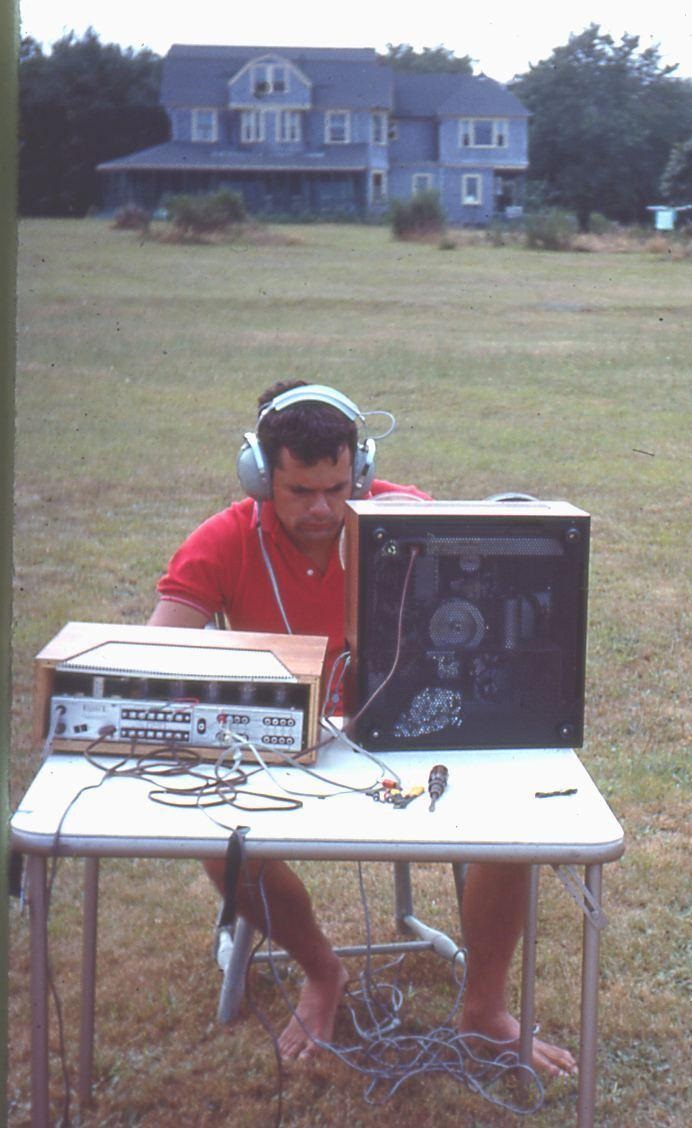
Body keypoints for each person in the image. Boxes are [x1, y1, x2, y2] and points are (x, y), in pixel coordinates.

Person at [148, 380, 576, 1075]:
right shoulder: (221, 541)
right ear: (259, 477)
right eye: (300, 491)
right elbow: (155, 656)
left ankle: (484, 1011)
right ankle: (323, 972)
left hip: (406, 731)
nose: (322, 508)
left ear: (362, 471)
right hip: (282, 747)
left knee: (513, 826)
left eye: (338, 488)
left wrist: (447, 536)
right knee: (217, 843)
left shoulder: (402, 517)